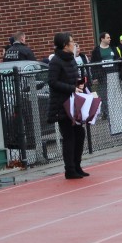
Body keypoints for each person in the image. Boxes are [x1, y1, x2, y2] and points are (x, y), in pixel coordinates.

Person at [47, 32, 88, 180]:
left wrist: (80, 84)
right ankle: (69, 169)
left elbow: (73, 78)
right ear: (65, 45)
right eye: (72, 41)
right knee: (69, 136)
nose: (74, 44)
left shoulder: (72, 59)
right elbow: (52, 82)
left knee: (80, 133)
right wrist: (72, 88)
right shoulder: (55, 61)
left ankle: (77, 166)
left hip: (74, 103)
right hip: (62, 105)